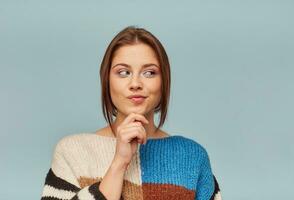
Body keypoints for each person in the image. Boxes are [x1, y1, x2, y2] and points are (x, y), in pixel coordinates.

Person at [40, 26, 222, 200]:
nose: (135, 83)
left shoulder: (192, 156)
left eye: (149, 72)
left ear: (164, 81)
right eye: (123, 72)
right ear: (107, 81)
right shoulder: (72, 152)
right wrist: (119, 163)